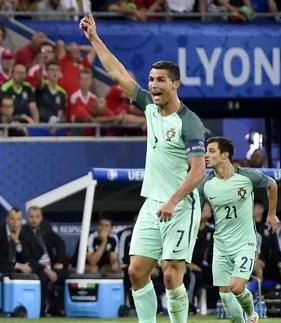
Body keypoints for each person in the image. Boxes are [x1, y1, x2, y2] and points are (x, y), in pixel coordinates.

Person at [80, 11, 207, 323]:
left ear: (176, 84)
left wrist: (173, 201)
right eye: (151, 80)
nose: (153, 85)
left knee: (170, 276)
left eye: (160, 80)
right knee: (136, 272)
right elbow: (119, 73)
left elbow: (198, 171)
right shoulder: (150, 108)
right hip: (152, 203)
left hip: (180, 206)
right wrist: (95, 38)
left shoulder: (189, 123)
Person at [199, 136, 280, 323]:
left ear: (225, 154)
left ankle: (251, 312)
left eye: (211, 151)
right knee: (225, 295)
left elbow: (272, 184)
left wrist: (271, 213)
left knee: (236, 287)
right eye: (206, 151)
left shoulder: (246, 176)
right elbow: (195, 209)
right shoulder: (205, 184)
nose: (206, 155)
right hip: (221, 245)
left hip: (245, 242)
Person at [22, 206, 66, 315]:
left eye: (37, 217)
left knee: (67, 276)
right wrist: (46, 270)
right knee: (43, 278)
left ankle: (56, 307)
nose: (34, 219)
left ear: (41, 218)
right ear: (27, 218)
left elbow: (60, 243)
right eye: (31, 217)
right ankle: (41, 311)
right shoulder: (23, 232)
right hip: (35, 267)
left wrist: (59, 262)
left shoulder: (46, 228)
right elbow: (28, 258)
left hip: (51, 266)